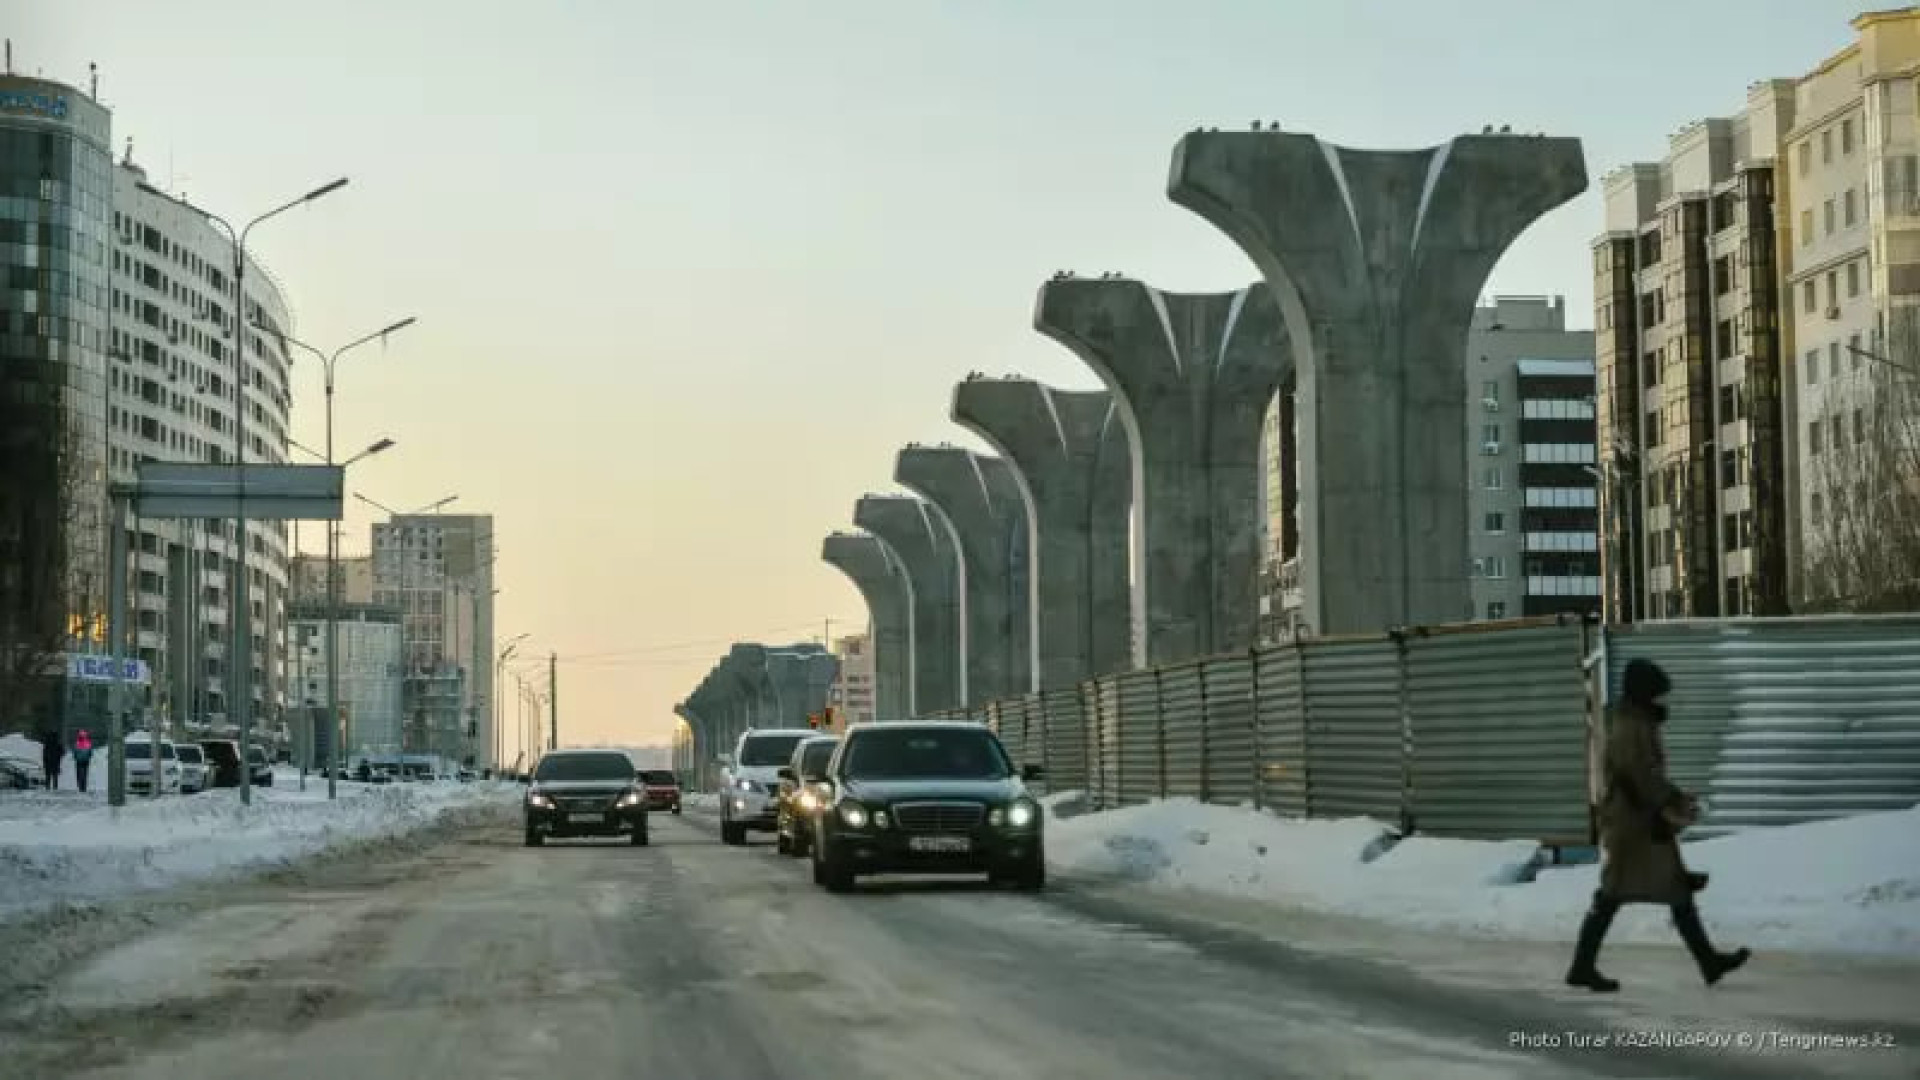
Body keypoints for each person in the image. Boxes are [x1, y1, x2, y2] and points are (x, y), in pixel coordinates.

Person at [1565, 658, 1751, 992]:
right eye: (1655, 695)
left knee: (1671, 890)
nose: (1660, 703)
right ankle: (1581, 967)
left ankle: (1708, 962)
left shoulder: (1638, 721)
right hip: (1631, 824)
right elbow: (1637, 775)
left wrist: (1672, 798)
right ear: (1643, 694)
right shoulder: (1629, 725)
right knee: (1612, 894)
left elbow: (1645, 775)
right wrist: (1671, 800)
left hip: (1640, 821)